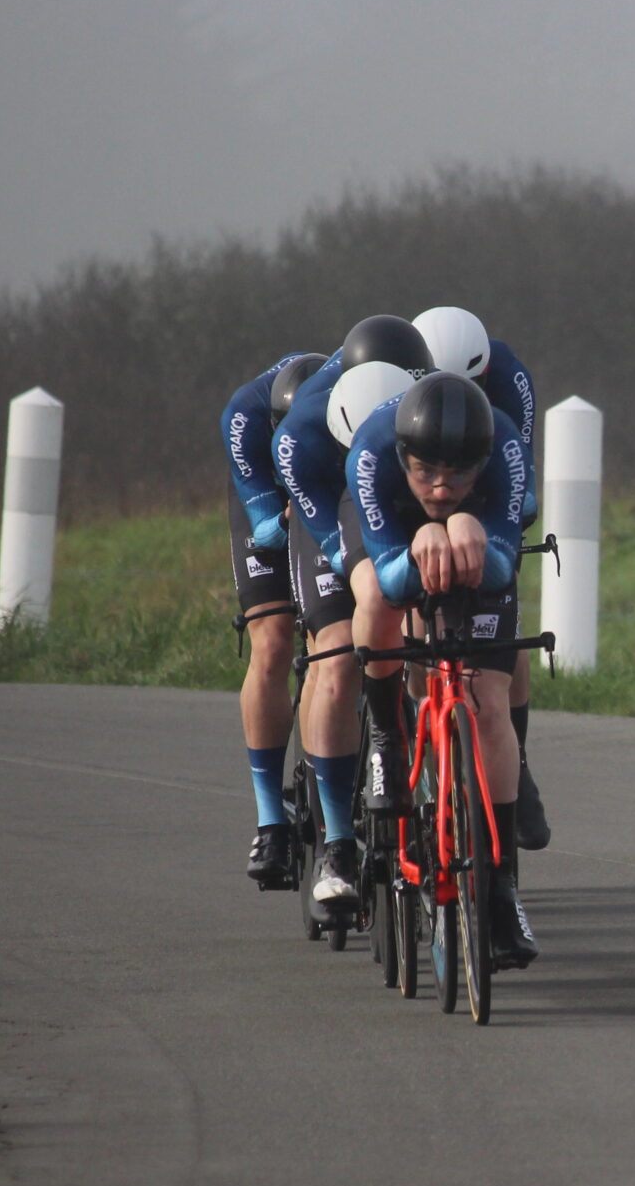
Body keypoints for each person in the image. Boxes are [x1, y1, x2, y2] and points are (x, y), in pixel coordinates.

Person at [342, 371, 541, 967]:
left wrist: (464, 525)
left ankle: (500, 886)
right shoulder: (373, 450)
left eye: (457, 474)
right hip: (394, 535)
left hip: (476, 538)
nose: (439, 485)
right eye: (425, 470)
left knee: (487, 705)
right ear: (403, 456)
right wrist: (426, 531)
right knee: (378, 601)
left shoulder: (505, 447)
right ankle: (387, 736)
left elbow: (502, 569)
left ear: (481, 462)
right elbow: (390, 578)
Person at [274, 314, 439, 918]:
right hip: (327, 510)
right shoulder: (301, 434)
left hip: (397, 492)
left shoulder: (427, 400)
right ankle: (337, 845)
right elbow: (332, 532)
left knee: (423, 632)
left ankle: (432, 786)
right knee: (340, 652)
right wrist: (362, 571)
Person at [411, 306, 550, 851]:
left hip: (485, 492)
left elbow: (522, 484)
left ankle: (515, 754)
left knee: (503, 622)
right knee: (408, 623)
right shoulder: (398, 378)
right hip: (417, 493)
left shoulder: (510, 376)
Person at [222, 349, 331, 887]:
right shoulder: (245, 415)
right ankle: (271, 823)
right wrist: (279, 517)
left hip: (329, 485)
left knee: (335, 641)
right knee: (272, 645)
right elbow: (267, 529)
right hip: (267, 503)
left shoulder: (352, 402)